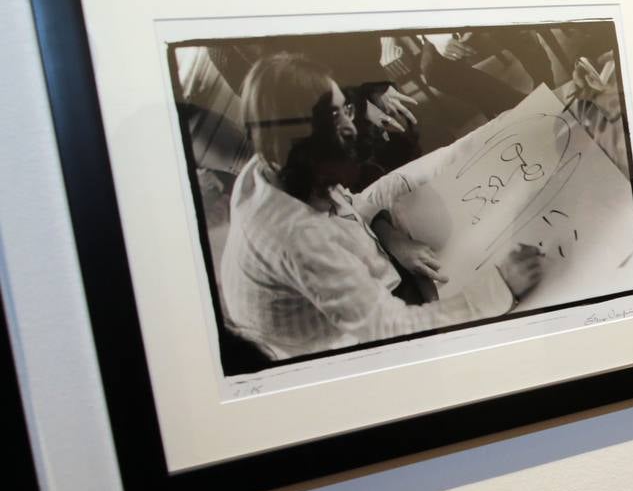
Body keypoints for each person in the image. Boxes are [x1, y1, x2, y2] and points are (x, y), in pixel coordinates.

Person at [219, 52, 545, 362]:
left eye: (345, 109)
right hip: (340, 350)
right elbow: (389, 330)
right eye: (335, 118)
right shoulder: (300, 238)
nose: (354, 126)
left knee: (428, 179)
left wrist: (484, 137)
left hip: (341, 289)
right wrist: (498, 288)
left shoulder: (271, 165)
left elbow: (354, 204)